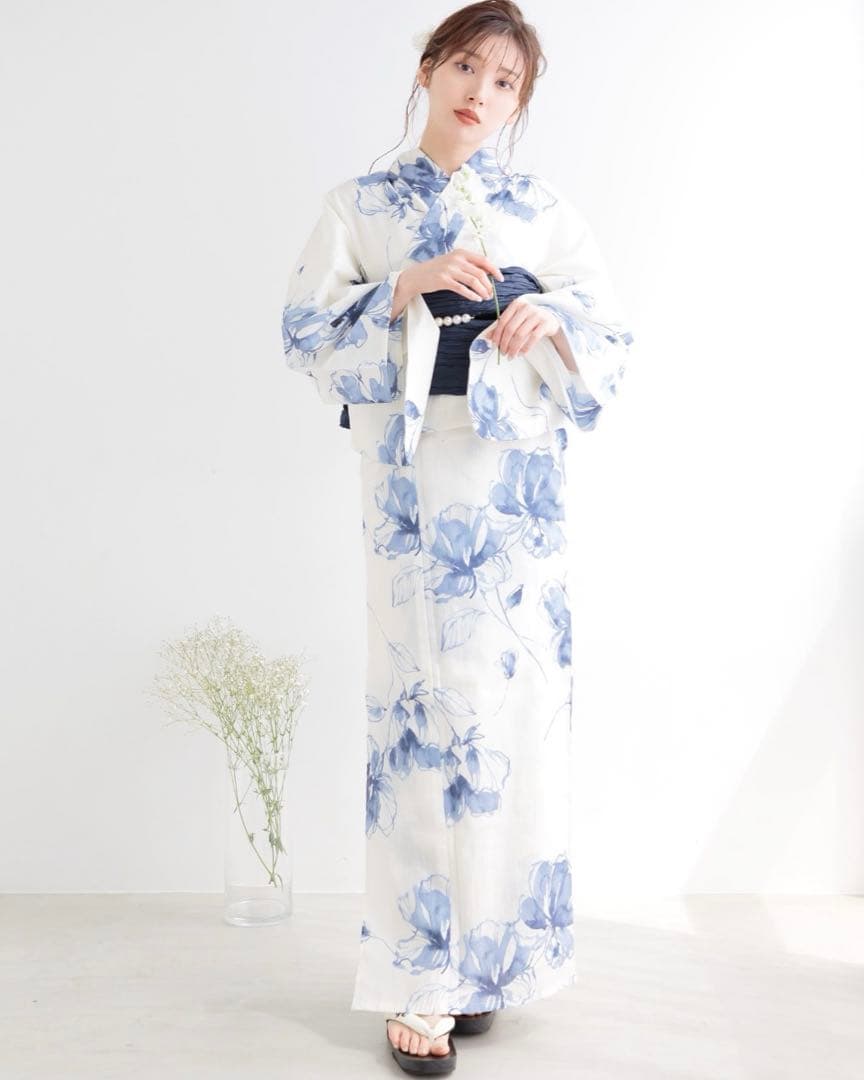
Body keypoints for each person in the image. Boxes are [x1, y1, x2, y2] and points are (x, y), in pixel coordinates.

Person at [281, 1, 634, 1073]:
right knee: (423, 720)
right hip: (413, 483)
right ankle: (423, 978)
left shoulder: (542, 209)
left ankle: (491, 965)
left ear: (521, 102)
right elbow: (304, 333)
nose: (482, 92)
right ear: (429, 68)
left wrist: (549, 321)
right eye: (467, 66)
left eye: (506, 82)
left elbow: (610, 336)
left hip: (518, 494)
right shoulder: (360, 205)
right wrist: (404, 285)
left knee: (519, 716)